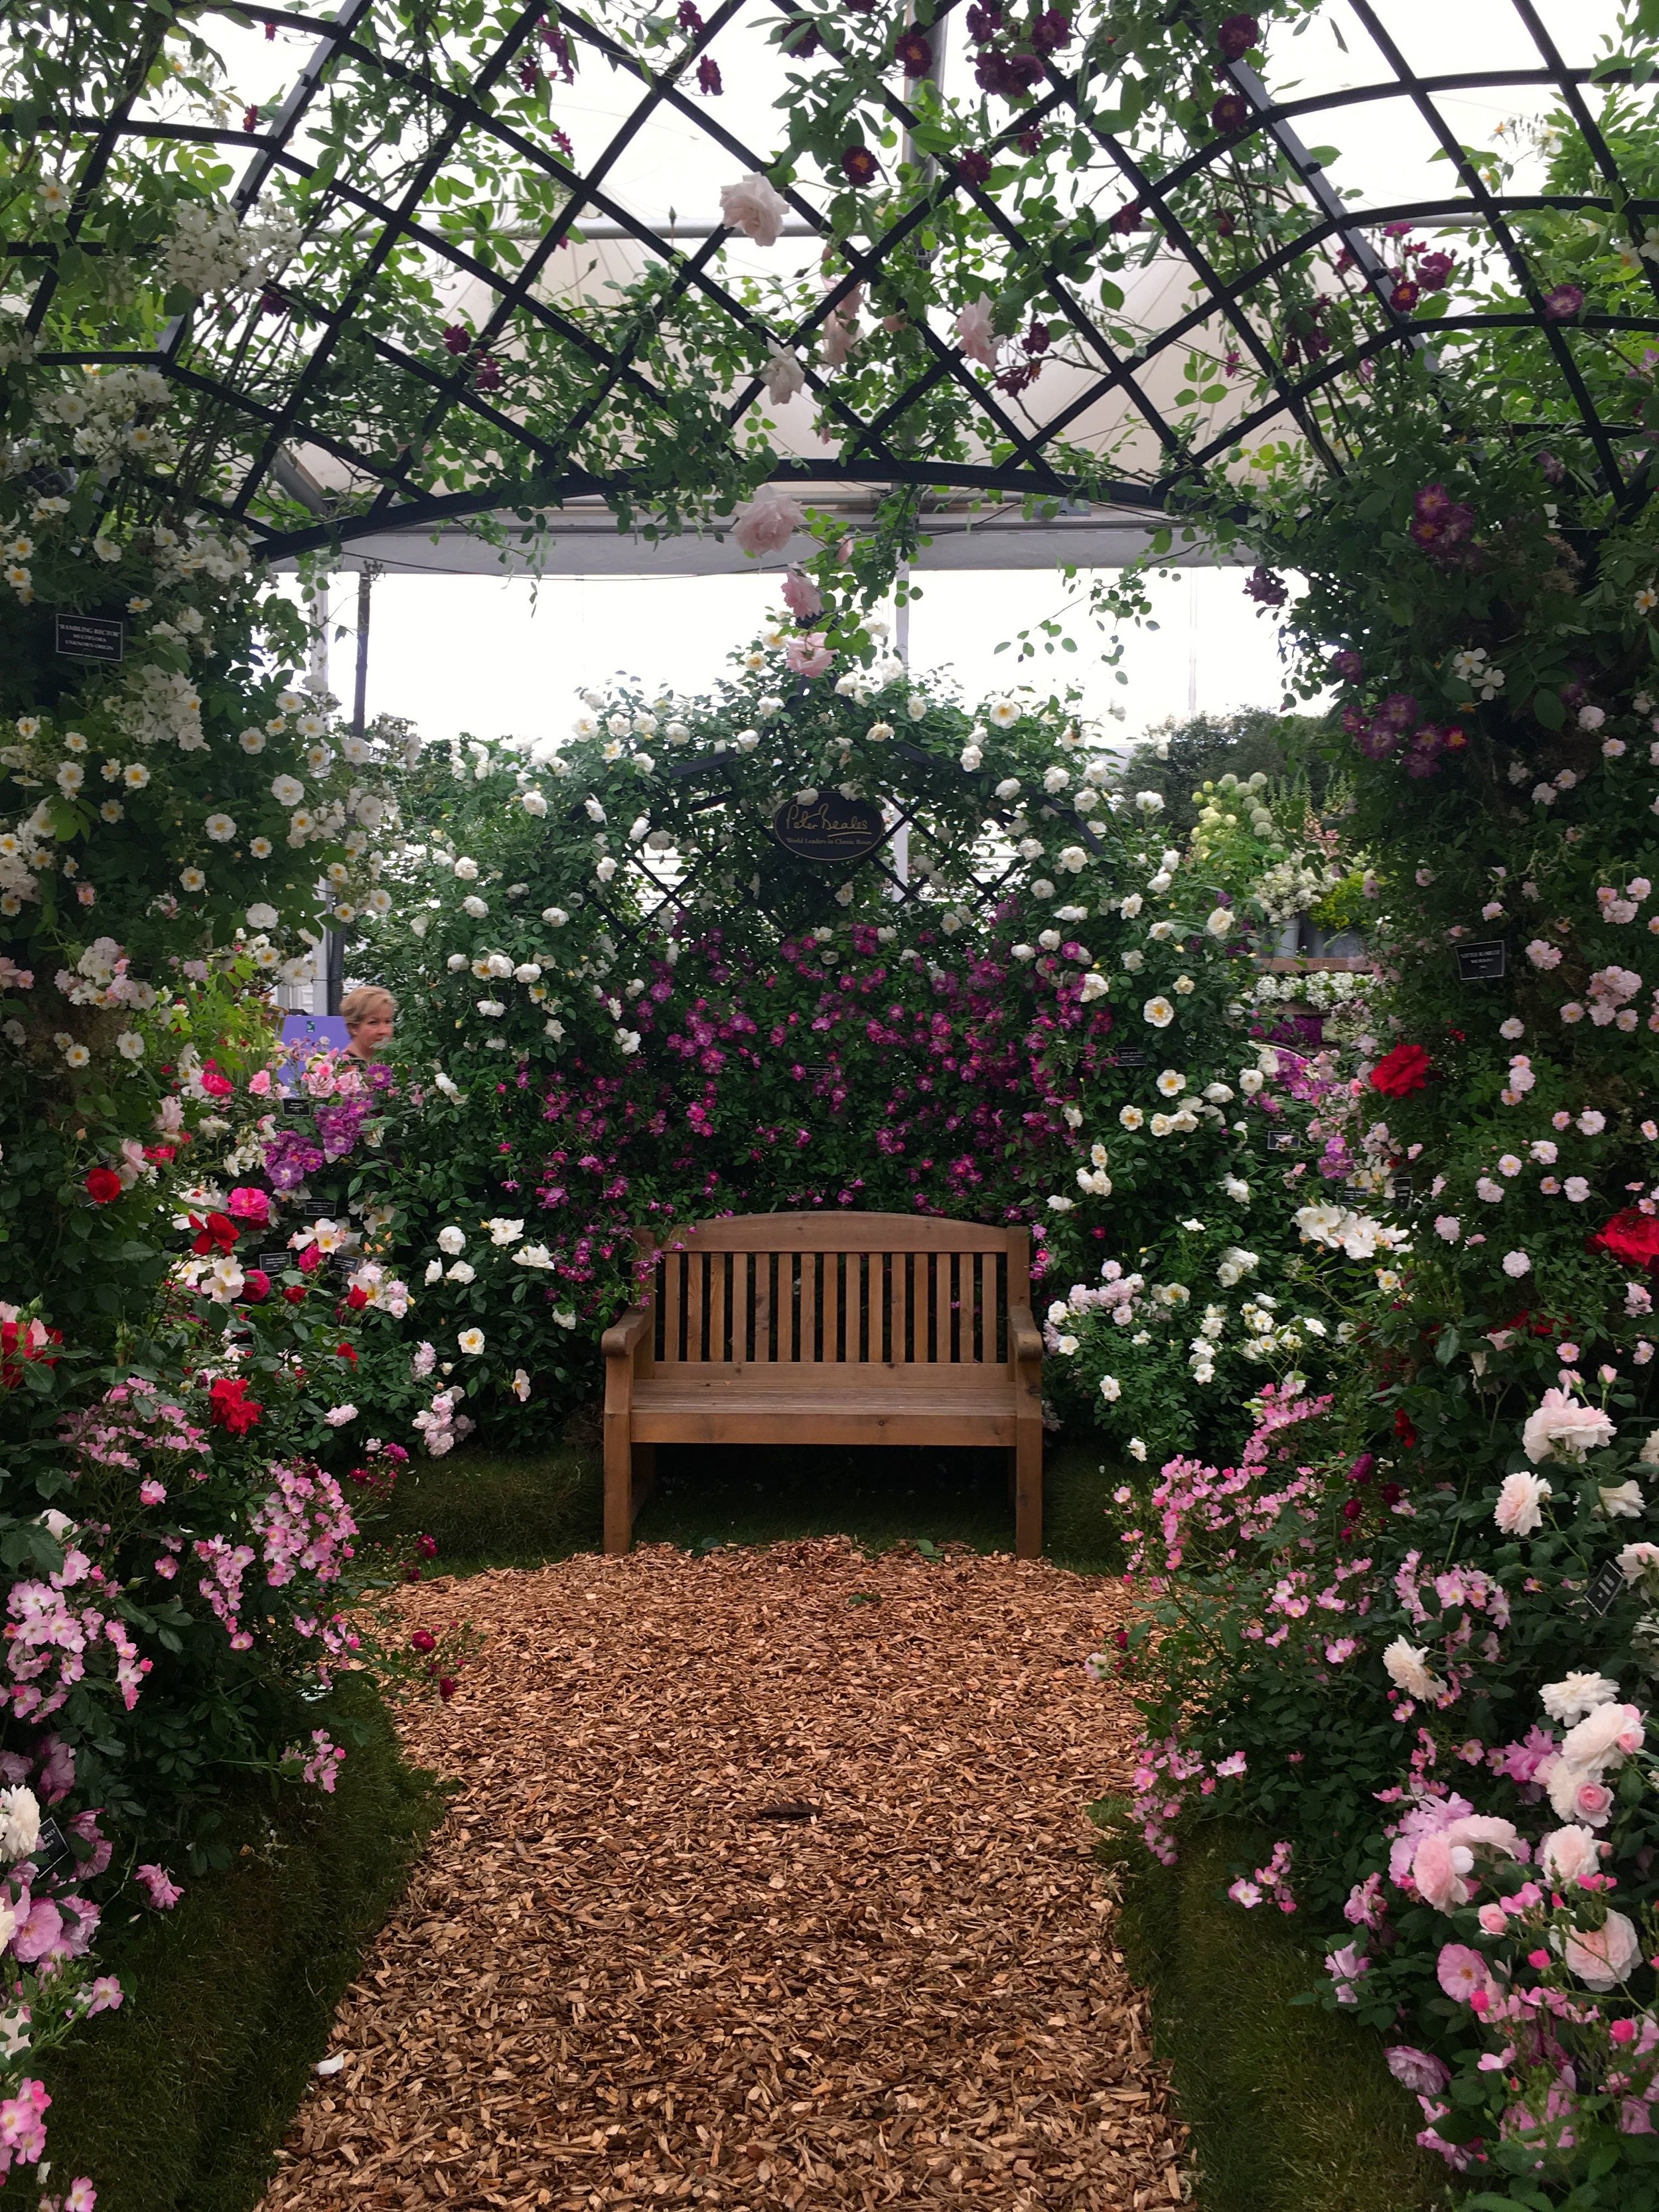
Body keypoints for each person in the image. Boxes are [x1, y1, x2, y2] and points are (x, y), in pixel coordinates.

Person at [340, 984, 396, 1063]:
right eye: (374, 1023)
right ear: (353, 1027)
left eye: (388, 1022)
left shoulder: (397, 1064)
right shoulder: (340, 1070)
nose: (383, 1031)